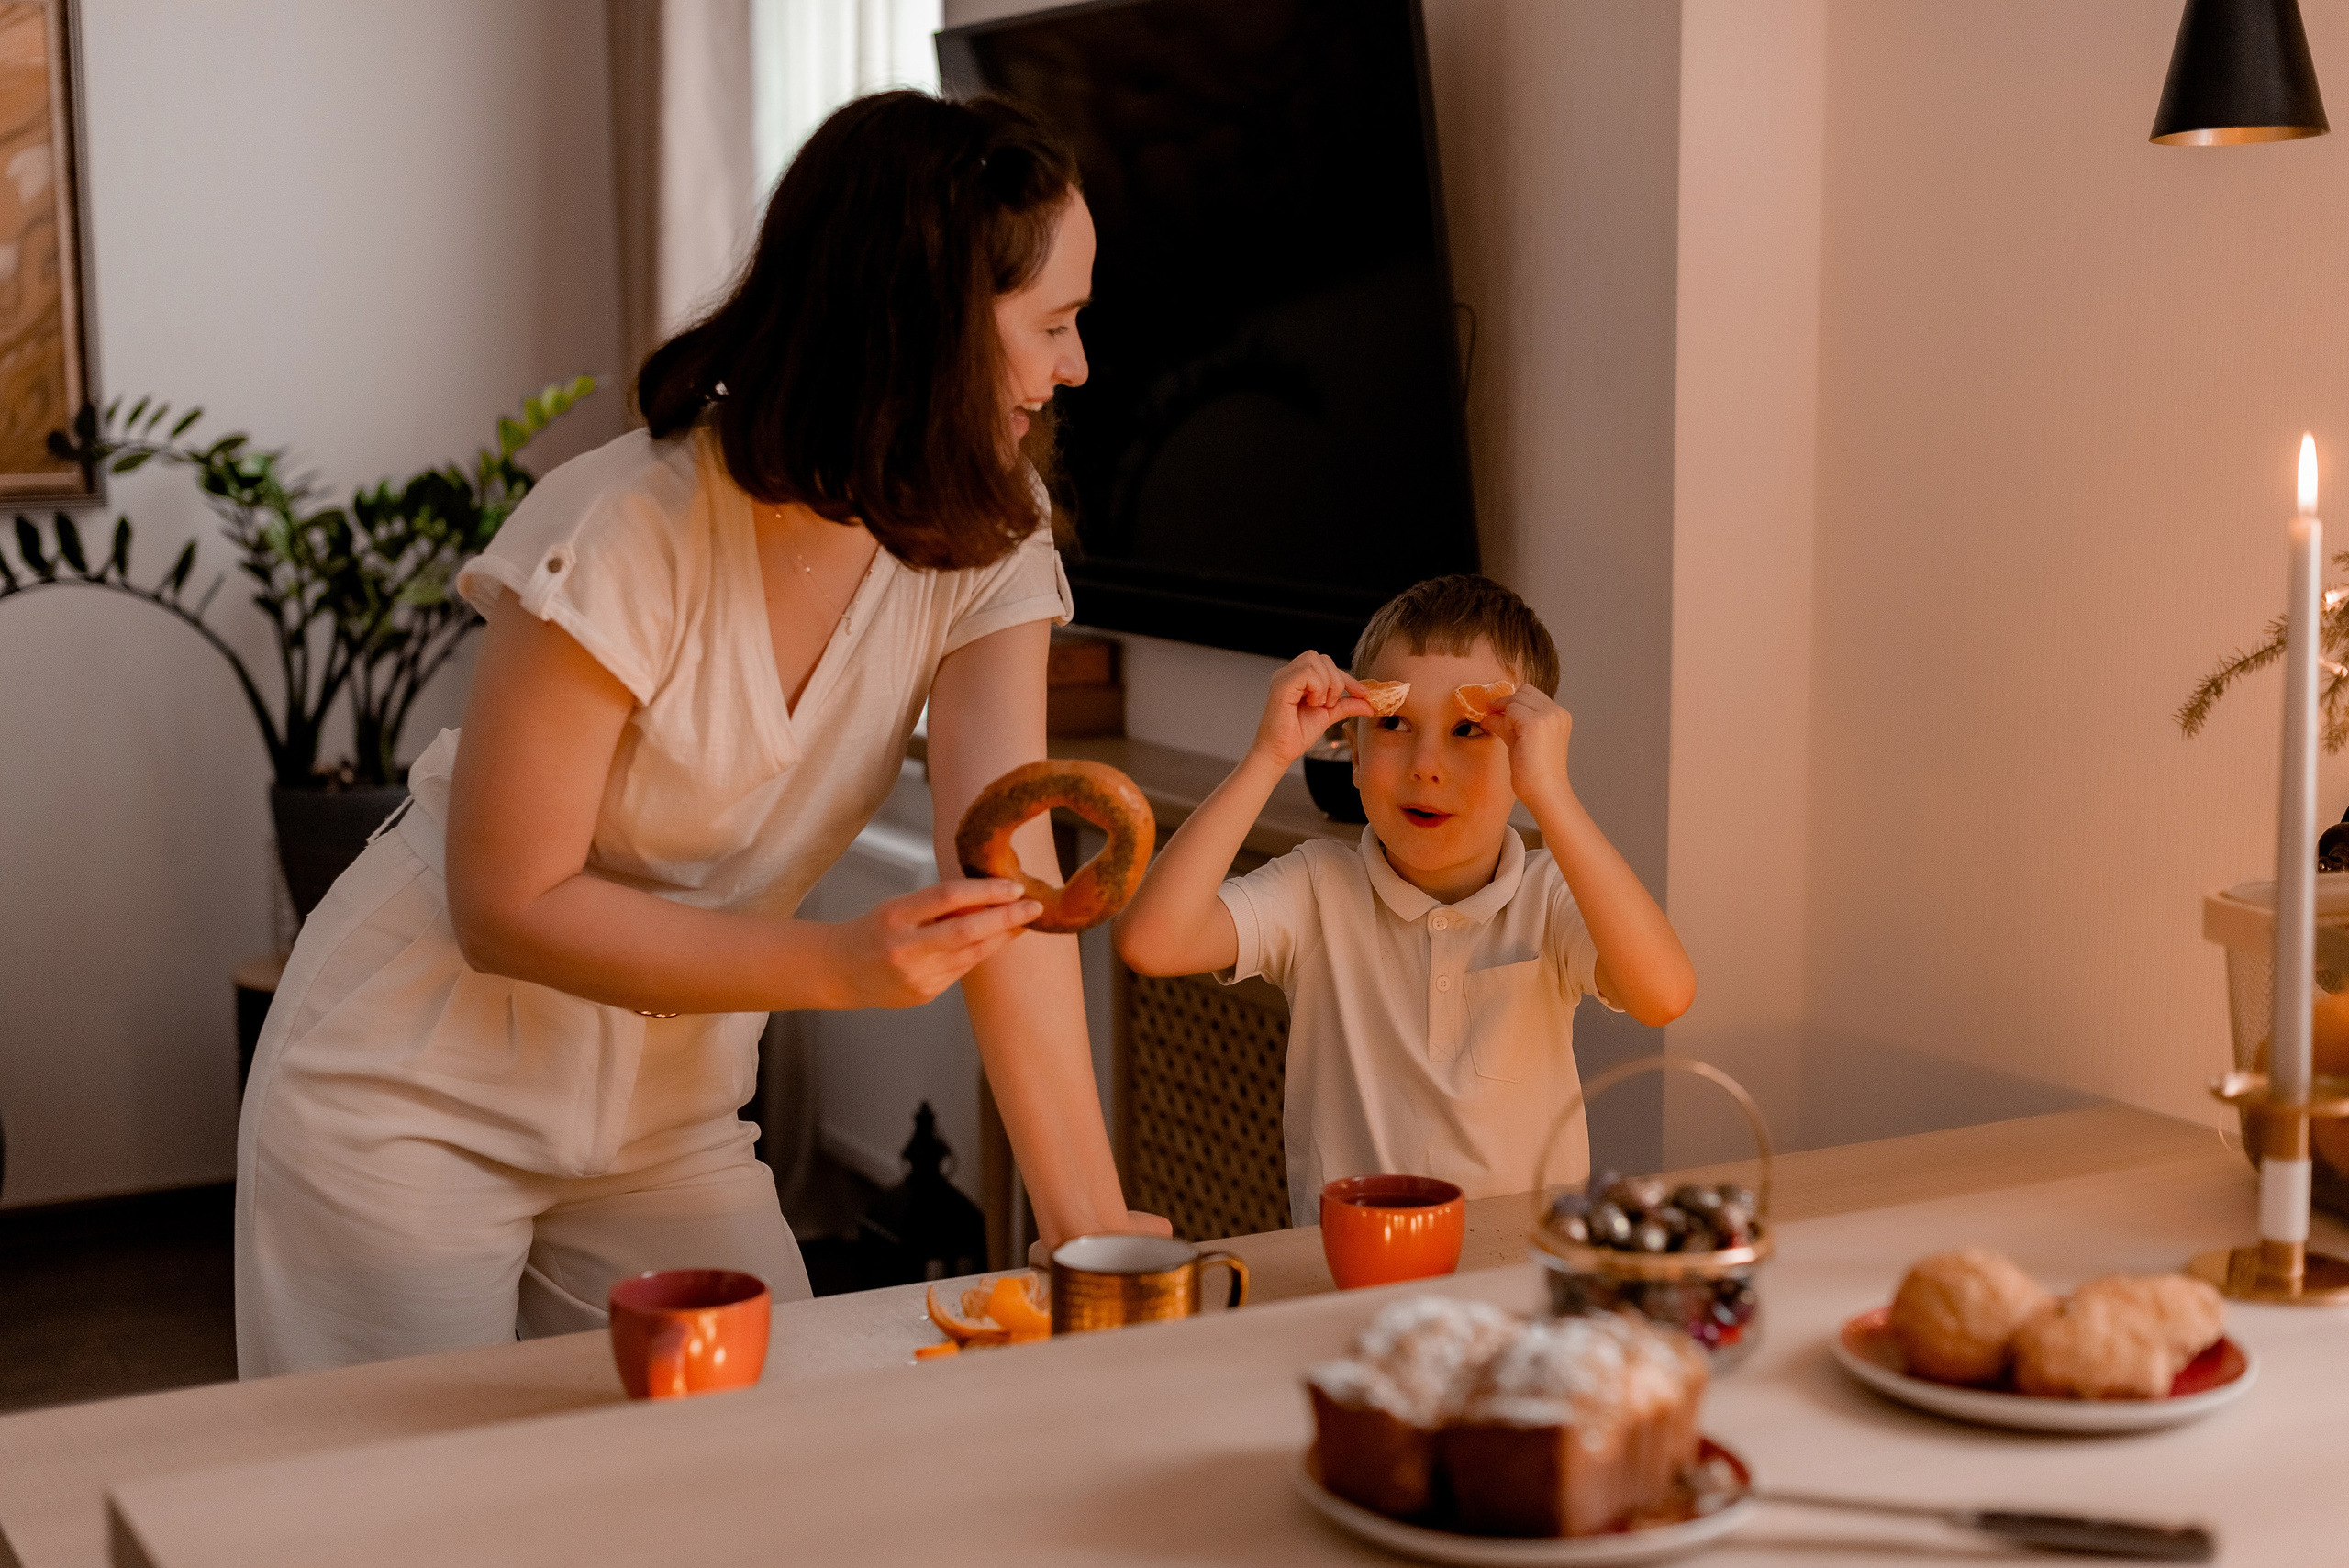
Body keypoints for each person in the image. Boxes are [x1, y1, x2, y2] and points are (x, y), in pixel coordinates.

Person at [235, 91, 1164, 1377]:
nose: (1073, 368)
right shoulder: (623, 528)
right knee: (403, 1521)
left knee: (767, 1475)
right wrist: (838, 965)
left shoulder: (989, 527)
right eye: (1054, 325)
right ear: (925, 323)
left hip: (667, 1118)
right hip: (411, 1093)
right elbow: (506, 900)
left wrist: (1089, 1230)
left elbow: (1009, 865)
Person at [1113, 574, 1695, 1225]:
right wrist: (1266, 756)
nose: (1425, 763)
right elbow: (1150, 941)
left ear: (1526, 755)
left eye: (1469, 731)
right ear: (1354, 752)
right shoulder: (1316, 891)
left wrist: (1552, 795)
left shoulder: (1550, 896)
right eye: (1394, 723)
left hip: (1521, 1279)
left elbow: (1664, 993)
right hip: (1355, 1275)